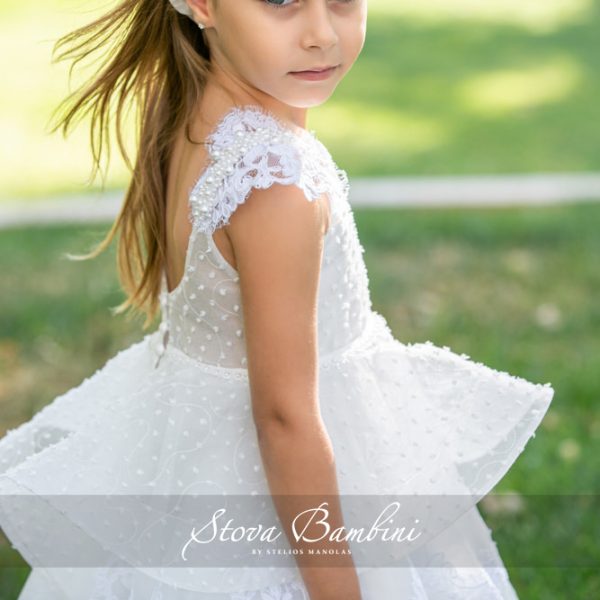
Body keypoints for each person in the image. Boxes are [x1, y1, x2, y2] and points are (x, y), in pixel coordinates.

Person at [0, 0, 555, 598]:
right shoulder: (276, 182)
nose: (322, 34)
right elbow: (284, 417)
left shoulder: (197, 113)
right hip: (286, 483)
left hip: (192, 466)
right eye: (281, 1)